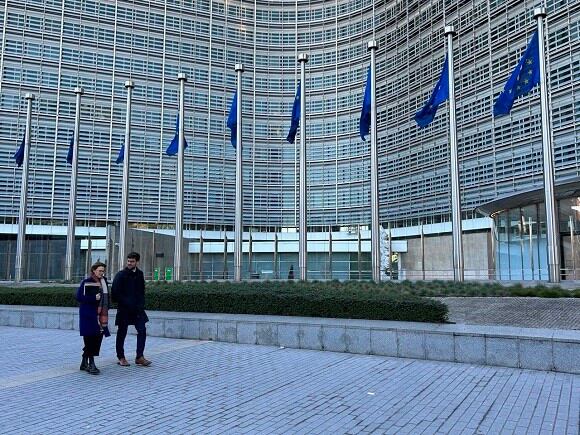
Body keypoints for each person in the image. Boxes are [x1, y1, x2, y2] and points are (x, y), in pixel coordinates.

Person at [111, 252, 151, 367]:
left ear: (137, 262)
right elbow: (115, 293)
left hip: (138, 310)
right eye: (128, 261)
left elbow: (142, 291)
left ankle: (139, 357)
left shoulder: (140, 274)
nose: (129, 263)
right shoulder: (120, 275)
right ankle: (121, 357)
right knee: (122, 332)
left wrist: (141, 304)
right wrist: (126, 303)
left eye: (132, 261)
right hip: (124, 309)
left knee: (142, 330)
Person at [76, 261, 110, 375]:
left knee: (97, 339)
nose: (101, 273)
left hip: (100, 316)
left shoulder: (104, 282)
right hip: (88, 315)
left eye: (103, 271)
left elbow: (106, 298)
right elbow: (79, 297)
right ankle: (91, 364)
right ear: (94, 270)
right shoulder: (87, 282)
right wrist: (93, 298)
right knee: (90, 339)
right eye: (99, 270)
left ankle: (84, 362)